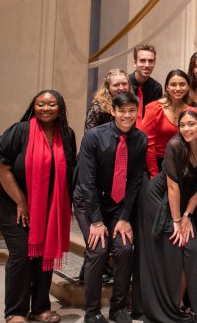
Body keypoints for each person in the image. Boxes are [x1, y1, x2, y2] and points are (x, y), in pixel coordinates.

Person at [0, 90, 77, 323]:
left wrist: (65, 205)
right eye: (41, 104)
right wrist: (21, 201)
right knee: (21, 254)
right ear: (34, 106)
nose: (46, 108)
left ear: (60, 108)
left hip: (49, 206)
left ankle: (39, 308)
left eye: (51, 104)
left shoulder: (67, 135)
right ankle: (15, 312)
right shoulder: (20, 131)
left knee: (44, 254)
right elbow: (1, 167)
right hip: (12, 203)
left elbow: (69, 171)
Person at [74, 91, 146, 323]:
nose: (127, 115)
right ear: (113, 112)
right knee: (99, 250)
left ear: (137, 112)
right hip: (89, 201)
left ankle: (118, 308)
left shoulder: (140, 139)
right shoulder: (94, 137)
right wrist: (96, 221)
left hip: (118, 204)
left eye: (131, 111)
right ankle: (92, 311)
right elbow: (86, 181)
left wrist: (125, 217)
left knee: (125, 250)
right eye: (122, 111)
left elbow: (135, 181)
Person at [140, 108, 197, 322]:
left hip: (185, 202)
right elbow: (172, 187)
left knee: (191, 247)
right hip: (159, 199)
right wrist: (177, 221)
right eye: (182, 125)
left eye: (191, 124)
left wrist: (188, 214)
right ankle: (172, 304)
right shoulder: (175, 145)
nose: (186, 129)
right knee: (174, 248)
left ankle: (179, 300)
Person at [141, 69, 191, 178]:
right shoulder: (154, 108)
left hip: (181, 163)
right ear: (167, 88)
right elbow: (148, 143)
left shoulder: (191, 111)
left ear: (188, 87)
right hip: (156, 163)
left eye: (182, 84)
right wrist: (154, 174)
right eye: (173, 85)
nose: (178, 88)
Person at [128, 43, 163, 123]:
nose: (147, 65)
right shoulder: (124, 83)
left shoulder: (156, 88)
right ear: (135, 63)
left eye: (150, 61)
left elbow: (154, 118)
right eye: (142, 60)